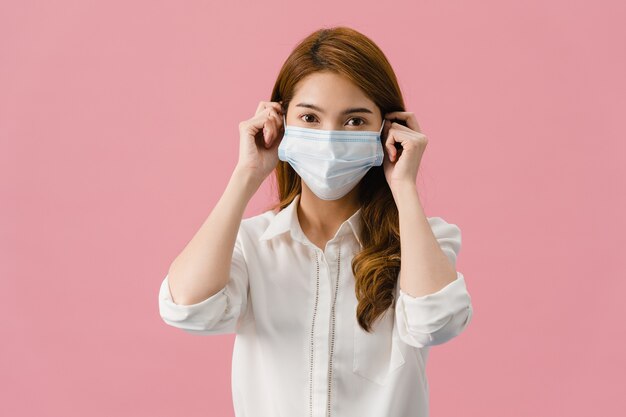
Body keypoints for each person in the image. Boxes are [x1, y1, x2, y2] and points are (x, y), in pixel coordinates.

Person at [158, 26, 473, 417]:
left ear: (388, 129)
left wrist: (403, 185)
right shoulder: (251, 244)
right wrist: (247, 174)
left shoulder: (421, 240)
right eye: (309, 117)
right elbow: (187, 308)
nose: (329, 139)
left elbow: (437, 322)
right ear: (280, 123)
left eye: (355, 121)